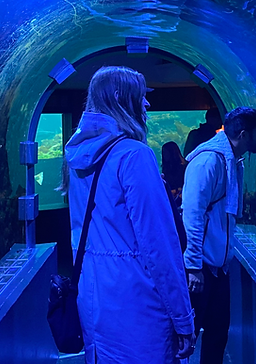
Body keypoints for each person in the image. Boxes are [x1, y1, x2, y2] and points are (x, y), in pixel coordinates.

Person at [63, 66, 195, 363]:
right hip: (137, 305)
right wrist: (183, 318)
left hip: (94, 299)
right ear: (123, 99)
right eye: (141, 97)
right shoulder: (134, 155)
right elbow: (159, 246)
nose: (147, 105)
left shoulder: (76, 157)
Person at [182, 106, 256, 364]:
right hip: (202, 268)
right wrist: (193, 266)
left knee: (218, 335)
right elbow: (192, 214)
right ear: (243, 134)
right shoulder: (209, 161)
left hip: (219, 268)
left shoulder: (232, 161)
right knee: (187, 336)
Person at [161, 141, 188, 252]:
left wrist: (178, 192)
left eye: (167, 153)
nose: (165, 156)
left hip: (182, 203)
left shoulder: (184, 167)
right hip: (171, 203)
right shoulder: (166, 168)